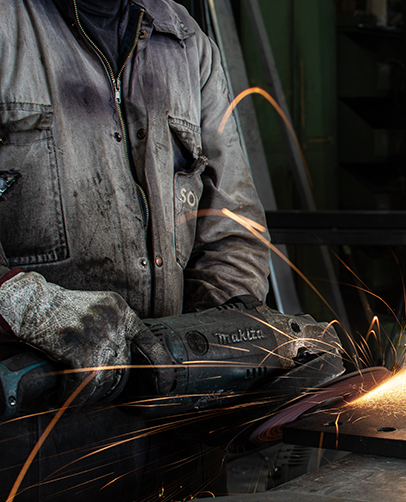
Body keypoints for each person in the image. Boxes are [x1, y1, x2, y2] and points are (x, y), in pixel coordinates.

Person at [0, 0, 271, 499]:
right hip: (36, 433)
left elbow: (235, 227)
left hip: (176, 428)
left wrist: (208, 352)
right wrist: (30, 307)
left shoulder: (186, 44)